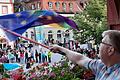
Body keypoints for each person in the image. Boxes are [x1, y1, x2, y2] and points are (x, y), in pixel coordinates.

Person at [50, 30, 120, 80]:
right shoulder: (101, 66)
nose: (99, 46)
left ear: (110, 50)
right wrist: (60, 49)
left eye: (102, 43)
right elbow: (80, 59)